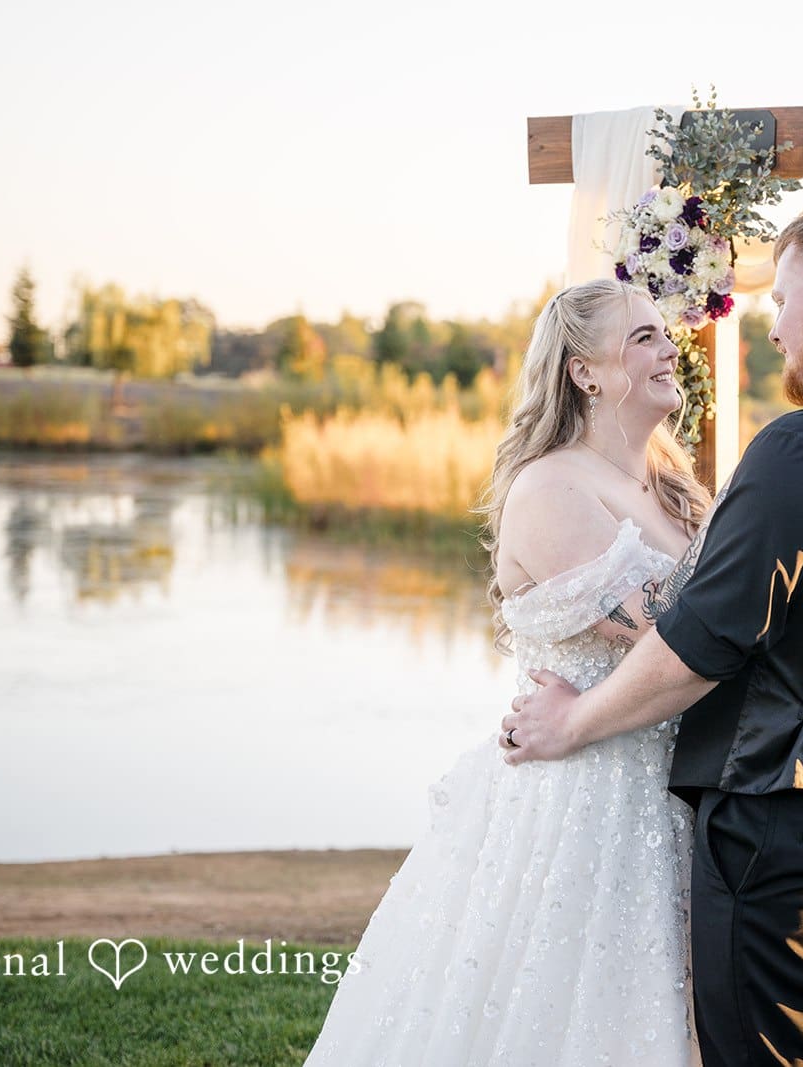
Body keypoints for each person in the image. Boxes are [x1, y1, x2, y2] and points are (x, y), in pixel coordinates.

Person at [502, 198, 803, 1067]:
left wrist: (570, 722)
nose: (774, 330)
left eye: (784, 301)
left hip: (784, 827)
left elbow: (703, 640)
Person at [303, 278, 711, 1066]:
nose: (671, 350)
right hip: (586, 800)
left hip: (671, 793)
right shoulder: (552, 487)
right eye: (644, 337)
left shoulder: (670, 488)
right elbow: (672, 632)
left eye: (666, 335)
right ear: (585, 372)